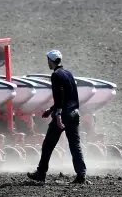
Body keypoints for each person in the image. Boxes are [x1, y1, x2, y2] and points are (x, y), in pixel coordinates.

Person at [27, 50, 87, 184]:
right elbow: (69, 96)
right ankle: (81, 174)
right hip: (74, 113)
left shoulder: (55, 76)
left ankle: (41, 173)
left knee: (48, 144)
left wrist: (58, 114)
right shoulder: (68, 73)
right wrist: (51, 109)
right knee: (75, 145)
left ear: (50, 60)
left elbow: (60, 95)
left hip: (63, 115)